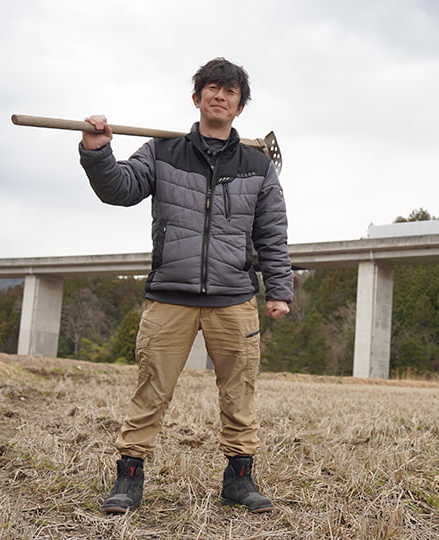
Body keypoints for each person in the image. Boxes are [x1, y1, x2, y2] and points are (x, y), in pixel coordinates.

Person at [78, 58, 293, 514]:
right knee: (150, 388)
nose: (220, 95)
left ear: (239, 106)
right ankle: (129, 480)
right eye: (211, 88)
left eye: (230, 91)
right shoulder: (162, 151)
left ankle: (239, 480)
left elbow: (272, 232)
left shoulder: (258, 166)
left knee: (240, 391)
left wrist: (279, 289)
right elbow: (120, 188)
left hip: (234, 298)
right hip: (169, 297)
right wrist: (98, 153)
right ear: (196, 99)